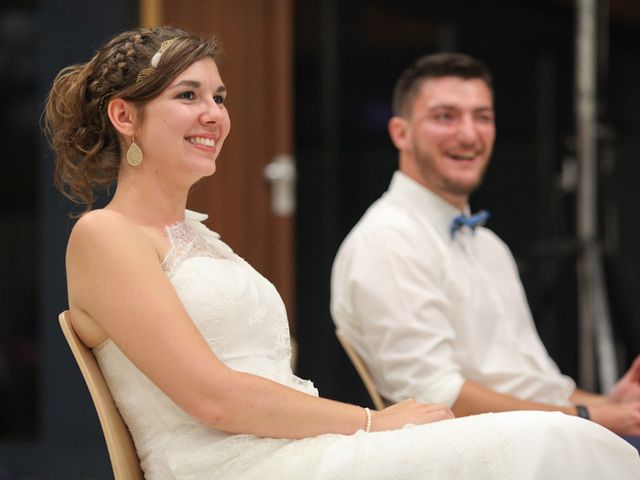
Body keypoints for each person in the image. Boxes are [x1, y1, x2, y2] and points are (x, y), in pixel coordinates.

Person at [45, 27, 639, 479]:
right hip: (248, 468)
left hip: (305, 450)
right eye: (188, 95)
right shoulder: (106, 234)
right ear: (125, 115)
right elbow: (212, 396)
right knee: (554, 443)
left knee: (563, 442)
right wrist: (372, 421)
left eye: (219, 97)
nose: (214, 115)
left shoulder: (205, 240)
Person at [330, 52, 640, 442]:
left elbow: (539, 386)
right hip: (483, 454)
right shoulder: (386, 241)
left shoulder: (489, 245)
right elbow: (435, 396)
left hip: (548, 439)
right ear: (401, 133)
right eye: (446, 116)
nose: (469, 134)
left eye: (483, 117)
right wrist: (587, 416)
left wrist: (615, 406)